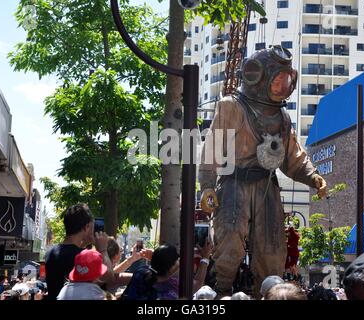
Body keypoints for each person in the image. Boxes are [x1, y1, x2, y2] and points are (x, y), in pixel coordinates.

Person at [199, 45, 327, 297]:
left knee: (272, 250)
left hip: (267, 185)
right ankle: (220, 294)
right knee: (229, 243)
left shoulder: (283, 118)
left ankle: (268, 294)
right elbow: (212, 149)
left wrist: (312, 176)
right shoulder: (231, 107)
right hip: (234, 181)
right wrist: (206, 186)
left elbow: (293, 157)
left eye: (286, 81)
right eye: (278, 80)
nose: (283, 86)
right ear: (258, 77)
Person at [45, 203, 113, 299]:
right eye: (92, 227)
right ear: (86, 227)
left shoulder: (50, 252)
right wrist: (103, 249)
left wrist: (85, 243)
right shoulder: (82, 257)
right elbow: (109, 277)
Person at [121, 240, 212, 300]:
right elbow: (198, 282)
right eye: (177, 259)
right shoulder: (172, 290)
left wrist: (157, 257)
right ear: (171, 268)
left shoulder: (140, 272)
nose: (179, 261)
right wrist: (206, 257)